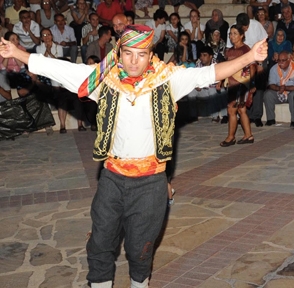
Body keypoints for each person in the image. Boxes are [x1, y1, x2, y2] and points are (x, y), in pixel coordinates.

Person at [0, 24, 268, 288]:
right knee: (100, 243)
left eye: (141, 54)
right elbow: (58, 68)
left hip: (151, 182)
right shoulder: (102, 79)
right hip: (112, 178)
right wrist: (16, 52)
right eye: (128, 53)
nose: (134, 61)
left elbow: (209, 74)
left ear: (150, 54)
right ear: (119, 52)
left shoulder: (167, 79)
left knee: (141, 248)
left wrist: (250, 57)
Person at [220, 25, 258, 147]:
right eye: (230, 34)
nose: (232, 36)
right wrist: (221, 81)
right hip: (232, 84)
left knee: (231, 110)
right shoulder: (229, 51)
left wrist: (252, 83)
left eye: (235, 33)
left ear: (242, 35)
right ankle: (248, 135)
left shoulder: (246, 50)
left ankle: (230, 137)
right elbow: (226, 67)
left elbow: (252, 66)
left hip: (241, 84)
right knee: (241, 110)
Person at [263, 51, 294, 127]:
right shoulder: (274, 69)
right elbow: (271, 84)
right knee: (268, 94)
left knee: (293, 96)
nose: (280, 63)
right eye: (279, 60)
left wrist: (285, 88)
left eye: (283, 60)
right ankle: (270, 119)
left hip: (292, 92)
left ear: (289, 60)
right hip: (279, 92)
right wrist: (278, 88)